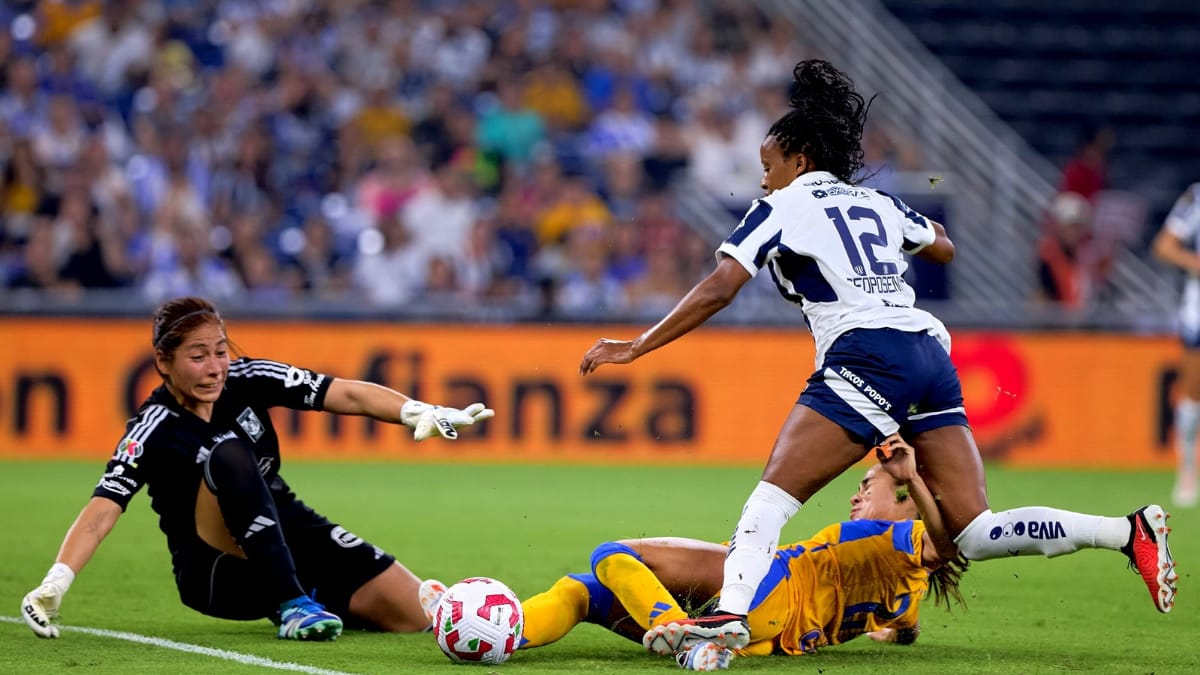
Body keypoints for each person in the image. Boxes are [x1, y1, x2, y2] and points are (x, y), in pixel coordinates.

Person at [578, 59, 1177, 652]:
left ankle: (730, 614)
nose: (763, 180)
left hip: (865, 354)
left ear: (800, 160)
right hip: (928, 353)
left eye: (769, 166)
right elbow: (943, 246)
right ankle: (1125, 531)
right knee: (971, 530)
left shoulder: (780, 208)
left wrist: (636, 346)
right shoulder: (879, 204)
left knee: (771, 499)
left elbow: (721, 285)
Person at [21, 296, 494, 642]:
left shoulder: (248, 378)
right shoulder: (155, 426)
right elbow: (103, 509)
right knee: (228, 453)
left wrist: (418, 411)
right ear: (163, 363)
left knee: (417, 614)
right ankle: (293, 603)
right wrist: (56, 581)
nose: (215, 367)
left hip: (288, 528)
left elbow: (345, 393)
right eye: (198, 355)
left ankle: (313, 598)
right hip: (217, 569)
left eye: (220, 351)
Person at [421, 436, 967, 671]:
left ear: (906, 508)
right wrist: (890, 631)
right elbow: (908, 623)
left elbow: (943, 544)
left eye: (869, 485)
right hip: (761, 634)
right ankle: (500, 628)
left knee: (611, 554)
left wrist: (911, 476)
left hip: (769, 582)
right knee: (580, 593)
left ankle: (676, 626)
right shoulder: (906, 588)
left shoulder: (898, 541)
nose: (856, 494)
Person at [1151, 181, 1200, 507]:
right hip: (1198, 311)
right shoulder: (1196, 197)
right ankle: (1186, 470)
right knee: (1193, 392)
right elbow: (1164, 246)